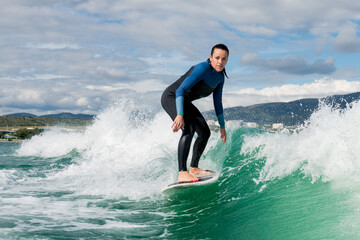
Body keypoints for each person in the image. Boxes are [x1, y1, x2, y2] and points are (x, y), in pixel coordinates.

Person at [161, 43, 229, 183]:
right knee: (189, 129)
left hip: (185, 102)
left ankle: (194, 168)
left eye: (224, 59)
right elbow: (180, 90)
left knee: (205, 132)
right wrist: (180, 115)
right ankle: (182, 172)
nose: (220, 62)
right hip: (172, 97)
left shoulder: (220, 78)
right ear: (210, 57)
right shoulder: (202, 68)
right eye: (217, 58)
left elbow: (218, 103)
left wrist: (222, 127)